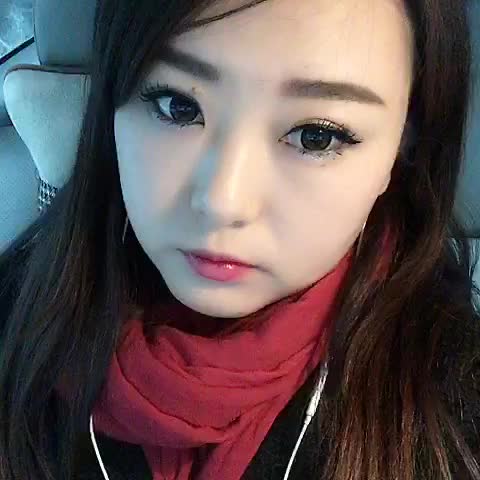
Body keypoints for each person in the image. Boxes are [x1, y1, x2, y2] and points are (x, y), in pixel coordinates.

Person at [0, 0, 479, 478]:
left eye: (315, 136)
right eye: (177, 106)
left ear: (402, 147)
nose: (223, 203)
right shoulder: (19, 320)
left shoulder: (455, 394)